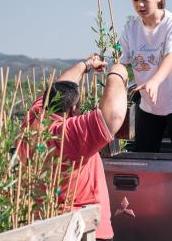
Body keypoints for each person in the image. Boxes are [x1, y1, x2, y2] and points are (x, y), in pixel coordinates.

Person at [19, 54, 128, 241]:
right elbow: (114, 116)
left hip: (45, 227)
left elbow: (61, 86)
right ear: (72, 109)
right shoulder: (69, 134)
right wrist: (118, 73)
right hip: (82, 231)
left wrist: (85, 65)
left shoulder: (33, 119)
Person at [120, 0, 172, 153]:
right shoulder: (130, 28)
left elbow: (170, 57)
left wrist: (154, 81)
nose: (140, 5)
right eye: (135, 0)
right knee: (144, 157)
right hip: (149, 104)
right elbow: (121, 61)